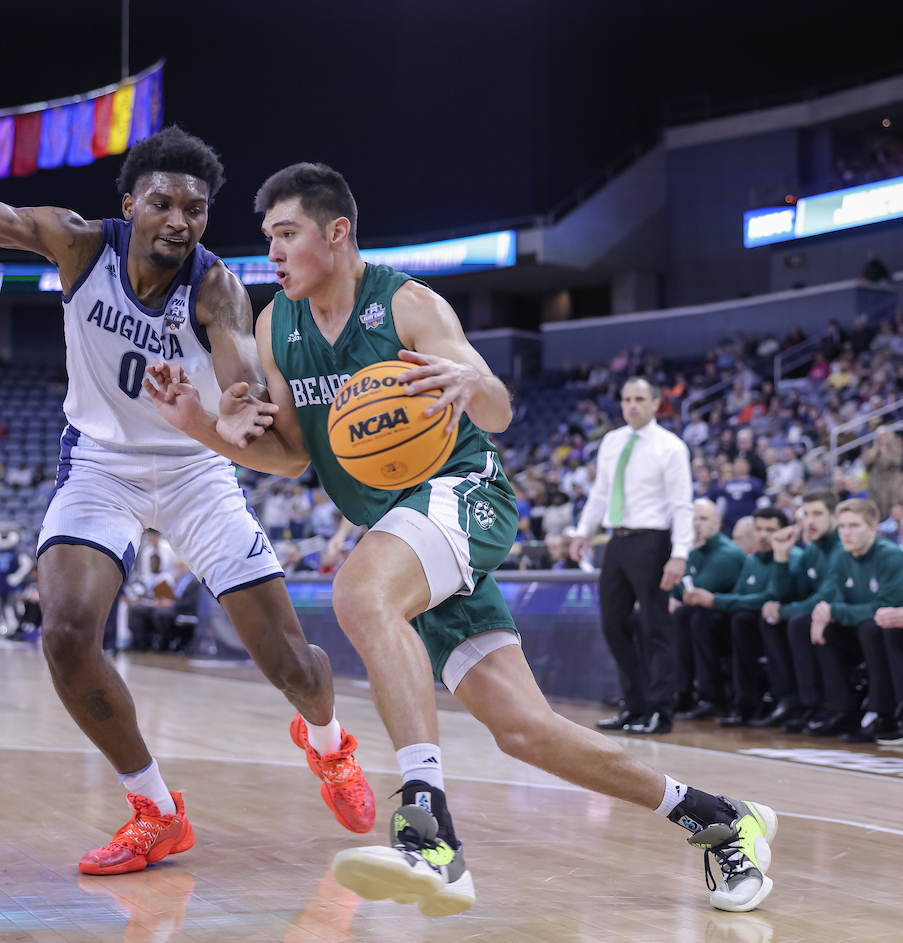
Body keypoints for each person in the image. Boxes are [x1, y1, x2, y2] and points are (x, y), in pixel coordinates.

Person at [0, 18, 373, 873]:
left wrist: (239, 400)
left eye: (195, 208)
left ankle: (327, 740)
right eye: (162, 201)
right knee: (64, 633)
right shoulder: (76, 241)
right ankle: (156, 809)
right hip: (101, 465)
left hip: (199, 466)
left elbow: (236, 350)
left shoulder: (215, 285)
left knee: (292, 665)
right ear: (129, 202)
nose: (178, 218)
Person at [145, 162, 778, 915]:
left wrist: (469, 384)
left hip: (463, 492)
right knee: (524, 729)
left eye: (287, 234)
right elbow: (293, 452)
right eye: (269, 238)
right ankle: (716, 816)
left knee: (358, 590)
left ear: (336, 232)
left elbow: (502, 408)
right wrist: (203, 427)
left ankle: (427, 832)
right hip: (403, 530)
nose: (273, 253)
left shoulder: (408, 304)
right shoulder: (277, 326)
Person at [569, 378, 693, 736]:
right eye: (626, 399)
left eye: (639, 399)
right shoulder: (611, 441)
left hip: (653, 541)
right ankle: (634, 704)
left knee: (656, 626)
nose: (631, 405)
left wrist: (680, 553)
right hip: (617, 541)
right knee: (612, 624)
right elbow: (601, 492)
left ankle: (660, 710)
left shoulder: (670, 446)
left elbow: (681, 505)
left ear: (656, 403)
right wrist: (583, 531)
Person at [684, 508, 799, 726]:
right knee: (703, 619)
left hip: (780, 626)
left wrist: (716, 600)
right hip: (749, 628)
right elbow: (740, 596)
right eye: (759, 529)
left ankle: (777, 701)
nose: (763, 535)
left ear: (785, 533)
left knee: (744, 620)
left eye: (770, 530)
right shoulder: (753, 560)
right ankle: (714, 698)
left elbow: (773, 596)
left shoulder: (792, 558)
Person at [808, 498, 903, 740]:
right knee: (824, 631)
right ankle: (842, 711)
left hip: (886, 634)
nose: (846, 533)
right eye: (842, 526)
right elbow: (838, 601)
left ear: (872, 528)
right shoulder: (842, 558)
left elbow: (884, 609)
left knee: (871, 627)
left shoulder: (890, 557)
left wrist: (834, 611)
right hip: (863, 633)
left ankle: (883, 714)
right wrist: (824, 612)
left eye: (854, 526)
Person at [766, 491, 843, 732]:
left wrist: (783, 611)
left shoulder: (842, 548)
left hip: (845, 618)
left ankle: (823, 705)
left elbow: (826, 597)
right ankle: (792, 700)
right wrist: (780, 555)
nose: (809, 521)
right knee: (767, 621)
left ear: (834, 517)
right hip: (819, 616)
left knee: (798, 622)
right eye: (805, 514)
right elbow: (787, 593)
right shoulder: (812, 551)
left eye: (817, 514)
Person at [671, 500, 745, 720]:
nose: (696, 525)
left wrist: (687, 555)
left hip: (732, 621)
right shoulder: (696, 550)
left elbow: (691, 593)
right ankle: (682, 693)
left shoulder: (727, 553)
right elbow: (677, 593)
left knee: (696, 618)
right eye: (692, 519)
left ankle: (712, 697)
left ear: (717, 523)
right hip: (705, 618)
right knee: (682, 615)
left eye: (703, 519)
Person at [708, 456, 765, 536]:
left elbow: (762, 502)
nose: (739, 466)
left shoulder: (755, 483)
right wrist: (718, 518)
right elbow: (721, 503)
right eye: (737, 464)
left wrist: (762, 517)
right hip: (730, 523)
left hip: (749, 521)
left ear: (748, 466)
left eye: (742, 464)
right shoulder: (727, 484)